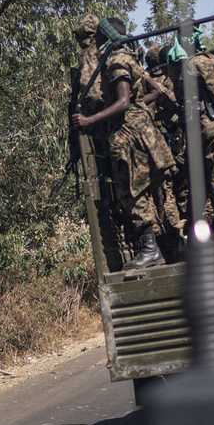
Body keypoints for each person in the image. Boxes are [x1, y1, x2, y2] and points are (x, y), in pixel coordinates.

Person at [69, 15, 180, 268]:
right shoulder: (129, 57)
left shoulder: (115, 60)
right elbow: (158, 91)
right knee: (149, 190)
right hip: (143, 131)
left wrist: (90, 120)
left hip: (129, 134)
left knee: (132, 191)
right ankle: (166, 247)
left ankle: (151, 249)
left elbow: (122, 102)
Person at [161, 37, 214, 242]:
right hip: (200, 135)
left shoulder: (197, 63)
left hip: (209, 133)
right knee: (204, 184)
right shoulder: (200, 62)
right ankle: (212, 231)